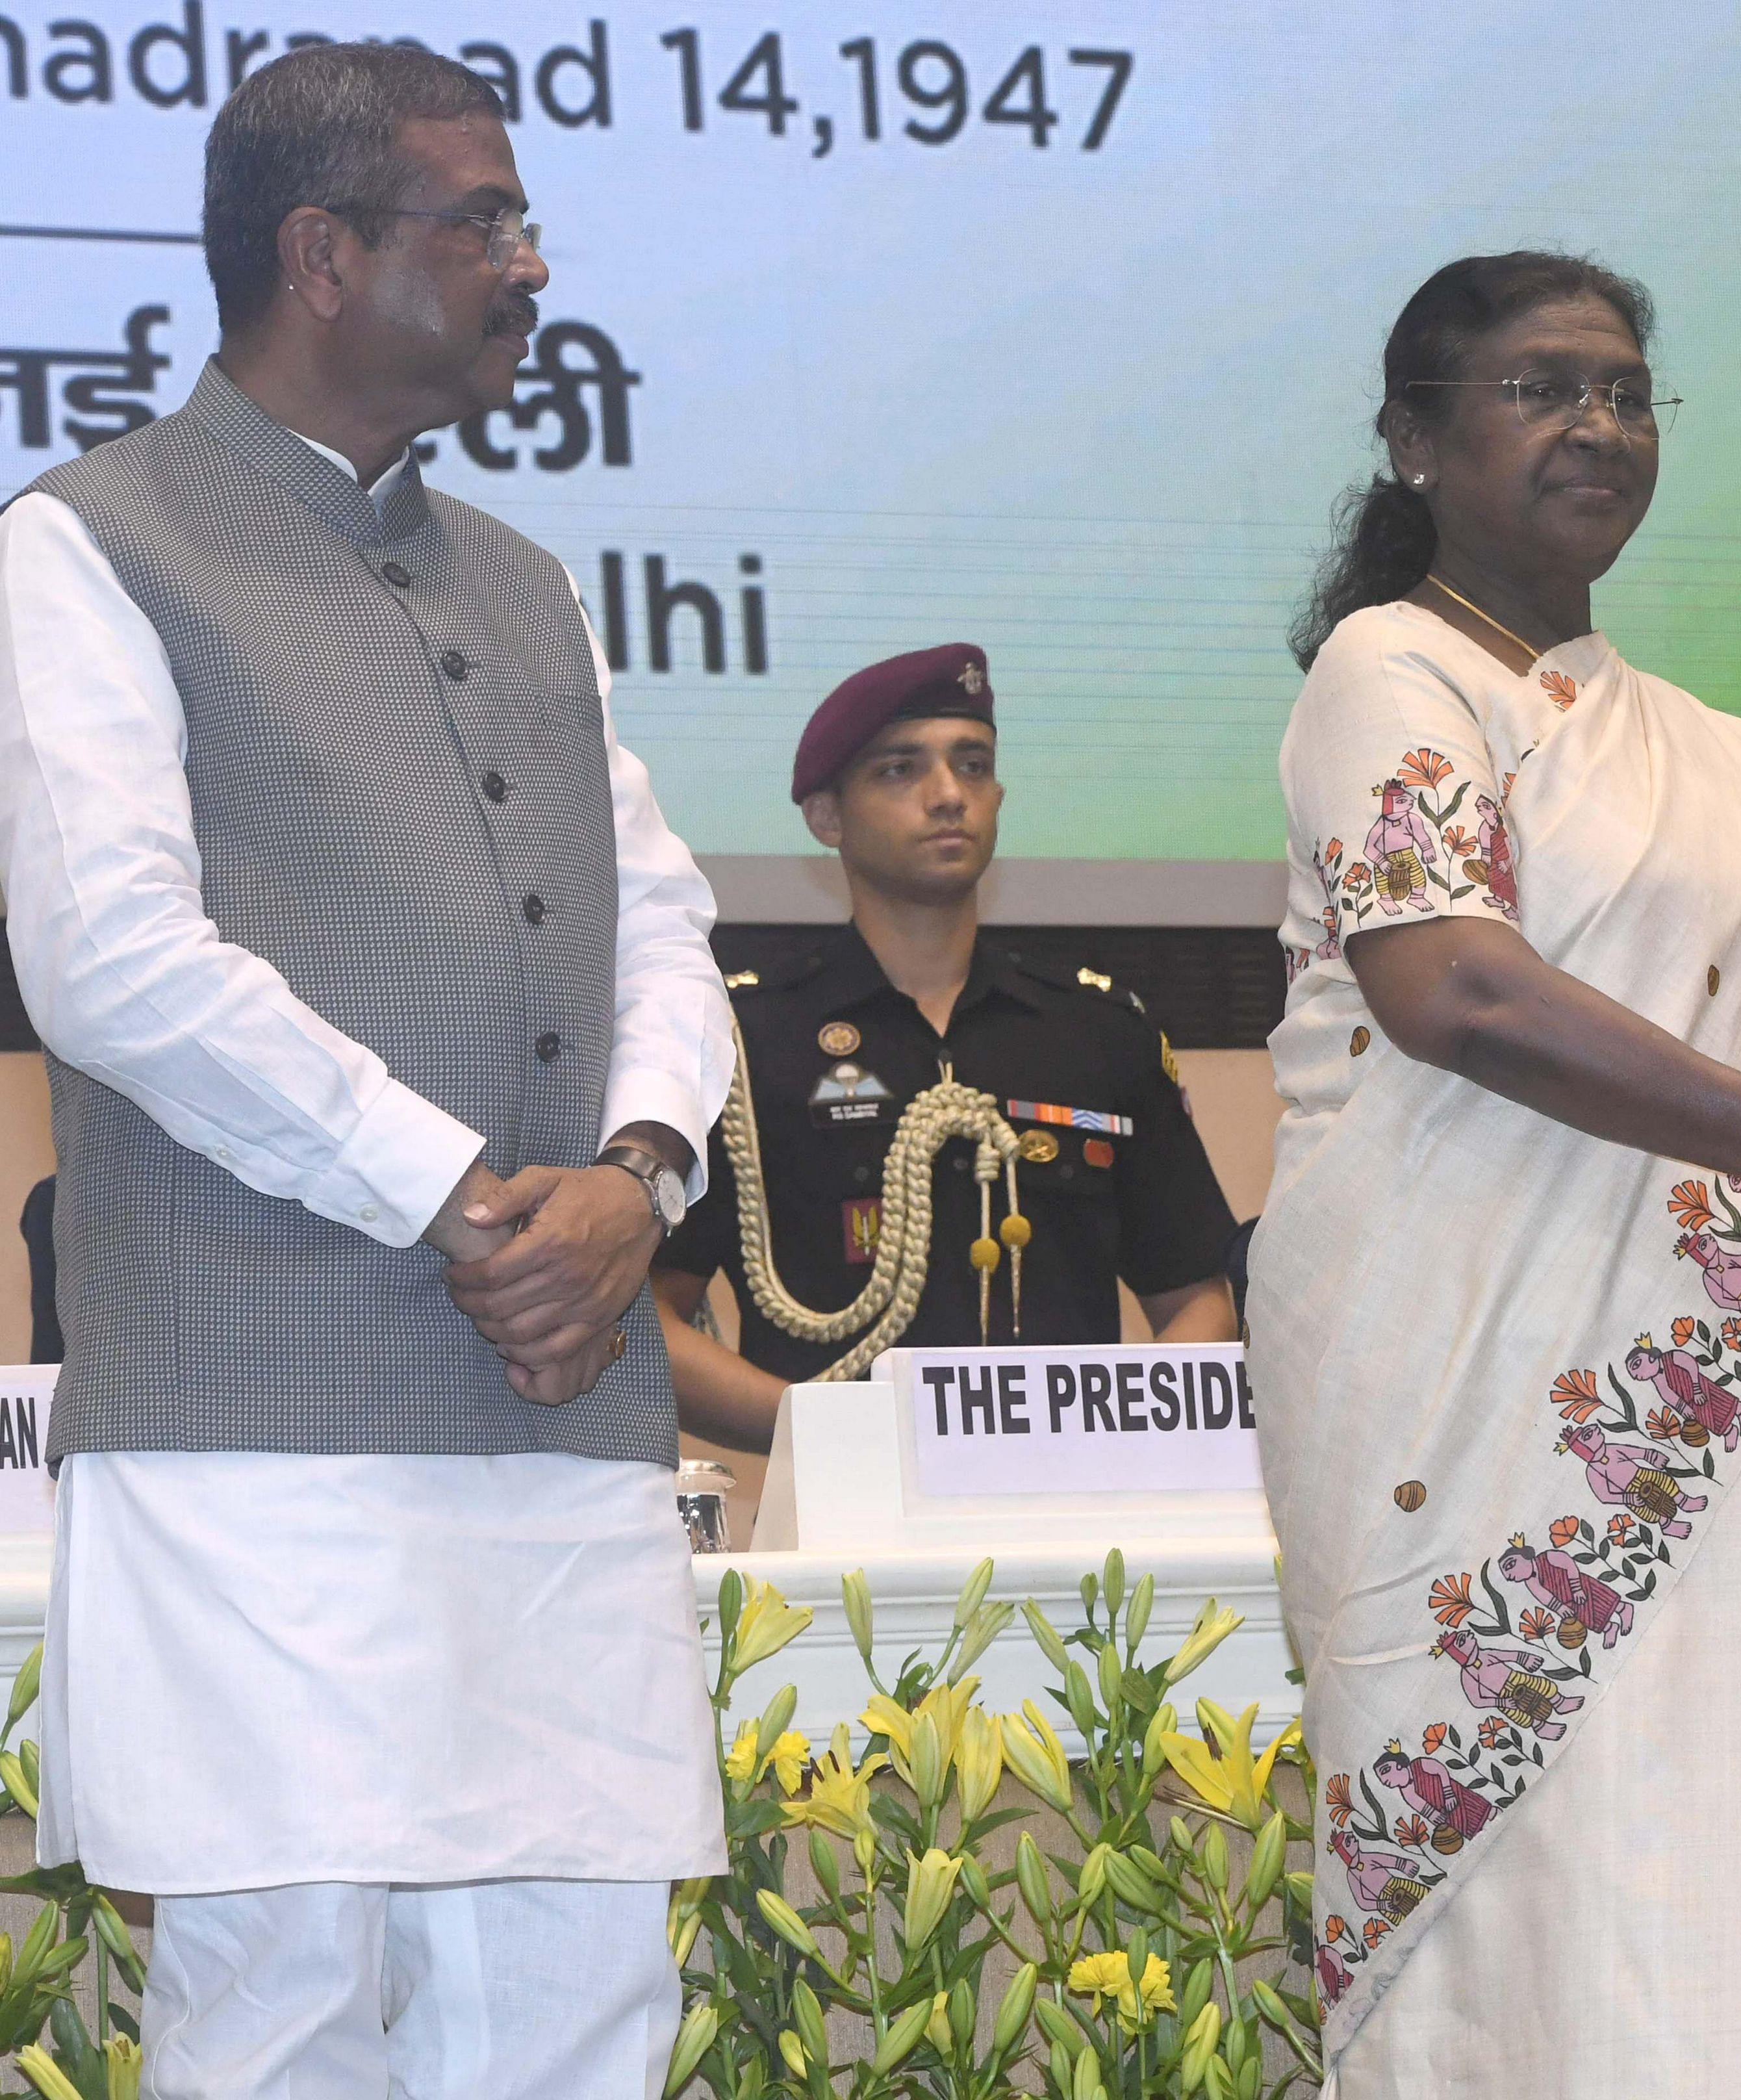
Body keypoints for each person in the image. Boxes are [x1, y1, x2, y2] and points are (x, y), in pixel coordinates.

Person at [0, 45, 731, 2098]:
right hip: (261, 1439)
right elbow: (111, 961)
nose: (530, 265)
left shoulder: (527, 578)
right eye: (480, 221)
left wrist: (640, 1175)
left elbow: (659, 914)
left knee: (582, 2016)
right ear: (321, 256)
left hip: (560, 1415)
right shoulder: (82, 543)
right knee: (285, 2022)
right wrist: (463, 1201)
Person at [1245, 250, 1741, 2098]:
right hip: (1471, 1423)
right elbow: (1456, 992)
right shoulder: (1390, 670)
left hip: (1680, 1430)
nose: (1598, 424)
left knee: (1695, 1879)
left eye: (1624, 391)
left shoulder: (1683, 743)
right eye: (1541, 388)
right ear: (1414, 439)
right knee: (1544, 1919)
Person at [652, 644, 1241, 1448]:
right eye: (901, 770)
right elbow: (648, 1316)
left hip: (1075, 1491)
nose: (948, 795)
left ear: (998, 795)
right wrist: (825, 1437)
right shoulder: (745, 1043)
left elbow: (1198, 1298)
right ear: (827, 817)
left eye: (973, 765)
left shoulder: (1097, 1031)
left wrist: (1110, 1435)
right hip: (845, 1498)